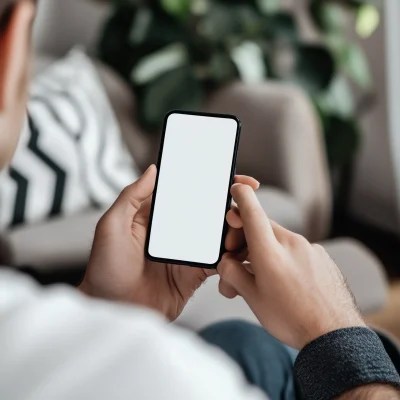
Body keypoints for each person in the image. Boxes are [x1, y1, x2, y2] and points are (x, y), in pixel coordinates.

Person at [0, 1, 399, 399]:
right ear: (14, 43)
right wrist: (335, 332)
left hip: (200, 338)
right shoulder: (187, 381)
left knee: (240, 342)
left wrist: (107, 304)